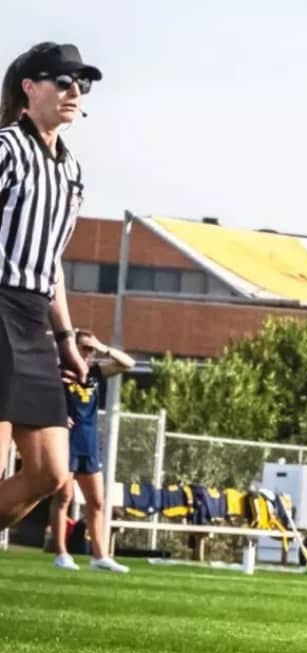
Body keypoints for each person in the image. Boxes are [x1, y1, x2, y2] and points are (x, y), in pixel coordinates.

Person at [0, 43, 99, 532]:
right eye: (62, 81)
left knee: (50, 472)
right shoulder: (5, 150)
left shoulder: (72, 173)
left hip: (35, 319)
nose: (73, 91)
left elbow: (53, 261)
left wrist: (65, 339)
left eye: (81, 83)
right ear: (29, 87)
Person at [48, 330, 131, 573]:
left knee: (97, 501)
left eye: (90, 349)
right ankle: (61, 553)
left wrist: (103, 347)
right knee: (63, 498)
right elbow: (39, 397)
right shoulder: (59, 373)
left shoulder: (94, 373)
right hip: (67, 441)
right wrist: (58, 415)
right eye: (84, 348)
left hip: (90, 443)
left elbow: (128, 364)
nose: (88, 353)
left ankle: (99, 556)